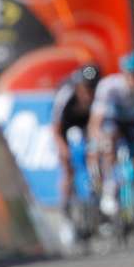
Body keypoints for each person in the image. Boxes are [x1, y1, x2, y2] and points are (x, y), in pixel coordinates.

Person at [88, 51, 134, 243]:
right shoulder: (109, 86)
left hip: (131, 122)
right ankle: (109, 186)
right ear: (123, 73)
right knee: (108, 143)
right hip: (111, 120)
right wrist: (99, 139)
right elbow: (96, 121)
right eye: (131, 74)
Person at [51, 63, 100, 219]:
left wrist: (95, 147)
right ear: (78, 86)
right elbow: (55, 129)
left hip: (88, 124)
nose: (88, 94)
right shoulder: (65, 95)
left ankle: (97, 201)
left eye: (92, 89)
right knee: (67, 168)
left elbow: (97, 126)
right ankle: (65, 207)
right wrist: (63, 148)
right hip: (66, 125)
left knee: (96, 159)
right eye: (85, 88)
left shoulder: (99, 96)